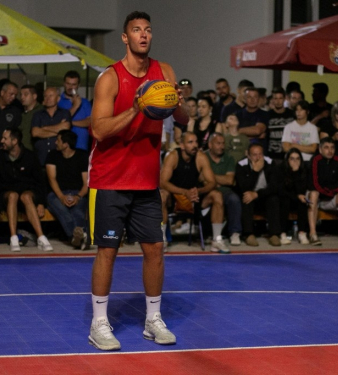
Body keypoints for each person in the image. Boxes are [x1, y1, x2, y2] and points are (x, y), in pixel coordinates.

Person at [88, 11, 189, 351]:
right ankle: (99, 324)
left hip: (146, 182)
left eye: (147, 30)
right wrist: (136, 108)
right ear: (125, 37)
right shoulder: (110, 78)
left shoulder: (165, 72)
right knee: (107, 251)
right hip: (112, 179)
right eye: (136, 30)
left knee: (155, 250)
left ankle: (153, 320)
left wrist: (177, 101)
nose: (143, 35)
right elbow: (98, 130)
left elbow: (185, 119)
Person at [160, 132, 230, 253]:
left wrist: (198, 191)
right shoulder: (173, 156)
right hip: (175, 198)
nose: (195, 145)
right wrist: (184, 192)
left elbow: (212, 182)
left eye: (196, 142)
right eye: (190, 142)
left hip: (194, 198)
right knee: (161, 195)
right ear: (182, 145)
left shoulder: (200, 157)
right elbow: (162, 182)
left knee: (217, 195)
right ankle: (161, 239)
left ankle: (217, 240)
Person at [0, 127, 52, 252]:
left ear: (15, 141)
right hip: (7, 195)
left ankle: (41, 237)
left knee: (26, 196)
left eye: (5, 138)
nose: (1, 141)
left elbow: (40, 182)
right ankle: (13, 237)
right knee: (13, 195)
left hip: (27, 194)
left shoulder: (30, 156)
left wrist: (40, 202)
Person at [46, 130, 89, 250]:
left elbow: (86, 183)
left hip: (77, 192)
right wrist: (61, 197)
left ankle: (78, 238)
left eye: (58, 140)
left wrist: (78, 196)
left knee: (77, 211)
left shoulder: (82, 156)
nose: (55, 143)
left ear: (66, 144)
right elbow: (52, 179)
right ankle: (77, 236)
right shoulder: (52, 155)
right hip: (57, 193)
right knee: (61, 208)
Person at [235, 143, 281, 247]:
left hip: (264, 195)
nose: (258, 157)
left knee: (274, 198)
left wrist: (257, 194)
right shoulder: (241, 165)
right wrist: (255, 171)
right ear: (249, 156)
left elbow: (274, 187)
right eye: (255, 155)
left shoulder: (270, 163)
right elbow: (243, 187)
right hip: (250, 195)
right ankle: (248, 234)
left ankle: (274, 234)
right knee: (246, 197)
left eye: (260, 154)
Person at [206, 133, 242, 246]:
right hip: (208, 190)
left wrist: (210, 178)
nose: (221, 146)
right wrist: (214, 182)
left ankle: (235, 233)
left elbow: (229, 180)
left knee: (234, 199)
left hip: (225, 190)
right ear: (210, 144)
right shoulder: (202, 157)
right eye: (218, 143)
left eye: (223, 143)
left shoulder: (229, 158)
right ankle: (210, 234)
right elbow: (201, 178)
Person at [31, 87, 72, 166]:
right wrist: (59, 128)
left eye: (51, 96)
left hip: (60, 157)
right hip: (41, 157)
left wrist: (43, 128)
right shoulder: (37, 114)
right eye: (45, 96)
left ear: (58, 98)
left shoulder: (64, 113)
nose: (48, 98)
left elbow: (66, 130)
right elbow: (35, 133)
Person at [277, 148, 310, 245]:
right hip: (284, 198)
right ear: (287, 160)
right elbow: (281, 190)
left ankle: (302, 233)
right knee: (285, 201)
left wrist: (296, 173)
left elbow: (302, 189)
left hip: (297, 199)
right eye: (292, 159)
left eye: (297, 159)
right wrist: (296, 196)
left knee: (303, 201)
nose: (295, 161)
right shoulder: (281, 169)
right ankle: (282, 233)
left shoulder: (304, 170)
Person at [58, 71, 92, 151]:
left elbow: (90, 122)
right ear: (64, 84)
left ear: (78, 85)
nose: (70, 87)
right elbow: (59, 121)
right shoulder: (58, 101)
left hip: (82, 147)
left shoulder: (85, 102)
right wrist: (75, 106)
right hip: (64, 149)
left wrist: (70, 123)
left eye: (73, 84)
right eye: (68, 84)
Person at [266, 87, 295, 160]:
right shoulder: (268, 115)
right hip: (272, 154)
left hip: (289, 153)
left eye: (280, 98)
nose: (278, 101)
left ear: (284, 98)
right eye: (275, 98)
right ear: (272, 99)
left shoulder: (291, 114)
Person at [19, 84, 42, 151]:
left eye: (26, 94)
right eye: (21, 95)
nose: (22, 97)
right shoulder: (22, 113)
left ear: (34, 96)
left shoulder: (41, 111)